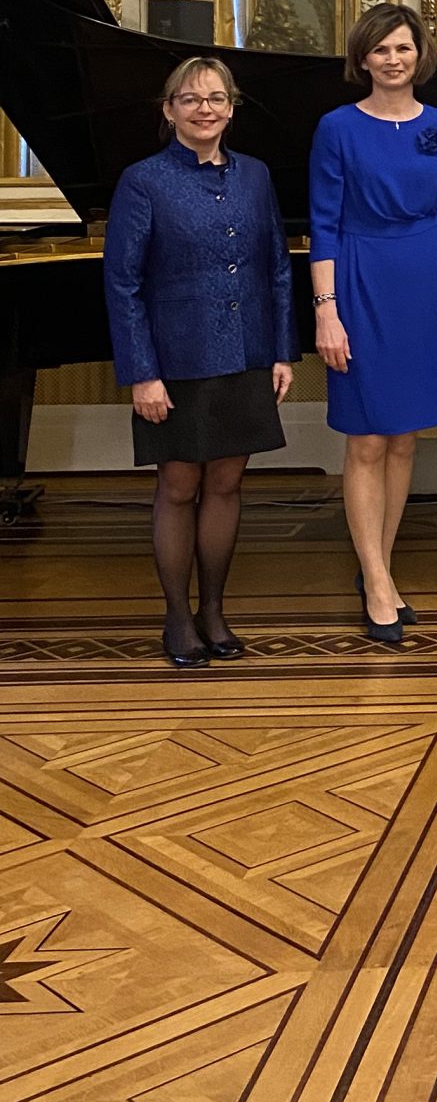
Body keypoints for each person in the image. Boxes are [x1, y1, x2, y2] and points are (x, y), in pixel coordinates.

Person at [103, 57, 297, 667]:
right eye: (190, 99)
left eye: (215, 98)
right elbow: (123, 283)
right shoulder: (143, 181)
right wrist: (142, 373)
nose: (204, 109)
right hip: (176, 360)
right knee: (179, 485)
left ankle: (214, 610)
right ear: (170, 111)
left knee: (227, 483)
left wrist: (282, 351)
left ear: (231, 109)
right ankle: (178, 617)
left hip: (247, 351)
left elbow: (277, 266)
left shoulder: (256, 175)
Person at [309, 4, 437, 647]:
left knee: (403, 440)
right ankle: (375, 580)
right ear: (363, 59)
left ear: (419, 54)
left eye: (403, 48)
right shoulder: (337, 127)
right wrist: (327, 311)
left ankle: (381, 562)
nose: (393, 59)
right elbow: (322, 223)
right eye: (381, 49)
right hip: (360, 276)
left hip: (426, 282)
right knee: (367, 440)